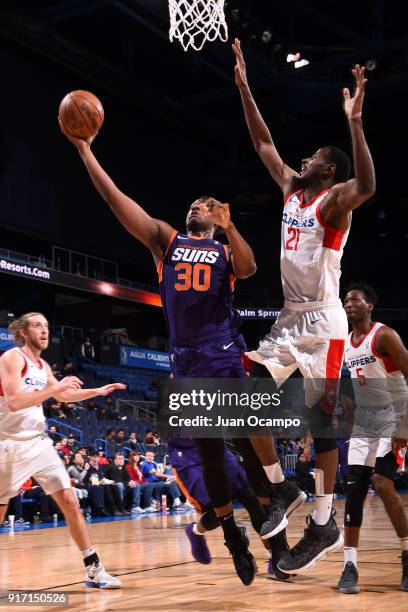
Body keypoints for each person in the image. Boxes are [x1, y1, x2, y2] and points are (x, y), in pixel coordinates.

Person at [61, 122, 258, 585]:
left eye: (206, 206)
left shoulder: (224, 249)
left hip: (223, 350)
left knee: (250, 443)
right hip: (185, 359)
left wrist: (232, 229)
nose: (196, 206)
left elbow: (248, 268)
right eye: (193, 203)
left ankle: (275, 523)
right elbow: (116, 201)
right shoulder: (166, 241)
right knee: (211, 458)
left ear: (217, 218)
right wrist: (87, 152)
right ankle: (232, 535)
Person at [232, 39, 376, 573]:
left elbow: (368, 184)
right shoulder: (294, 190)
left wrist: (355, 124)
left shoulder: (335, 202)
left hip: (325, 320)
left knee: (323, 423)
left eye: (314, 156)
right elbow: (262, 141)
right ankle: (281, 488)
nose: (304, 158)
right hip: (290, 318)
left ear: (328, 171)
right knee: (245, 399)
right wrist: (244, 87)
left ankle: (323, 521)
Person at [0, 312, 126, 588]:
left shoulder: (42, 364)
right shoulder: (12, 358)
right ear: (23, 332)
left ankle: (93, 568)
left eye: (46, 326)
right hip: (7, 443)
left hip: (38, 442)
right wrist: (53, 389)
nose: (44, 331)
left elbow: (62, 395)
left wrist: (97, 390)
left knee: (70, 501)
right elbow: (14, 402)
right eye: (37, 326)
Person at [338, 282, 408, 593]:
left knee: (382, 483)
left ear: (370, 306)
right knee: (354, 492)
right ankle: (349, 566)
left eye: (355, 300)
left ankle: (407, 555)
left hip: (394, 416)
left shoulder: (384, 335)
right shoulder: (344, 343)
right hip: (365, 423)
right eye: (346, 300)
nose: (349, 304)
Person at [168, 438, 290, 579]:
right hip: (186, 458)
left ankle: (274, 553)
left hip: (216, 448)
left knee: (251, 498)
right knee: (215, 512)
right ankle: (196, 531)